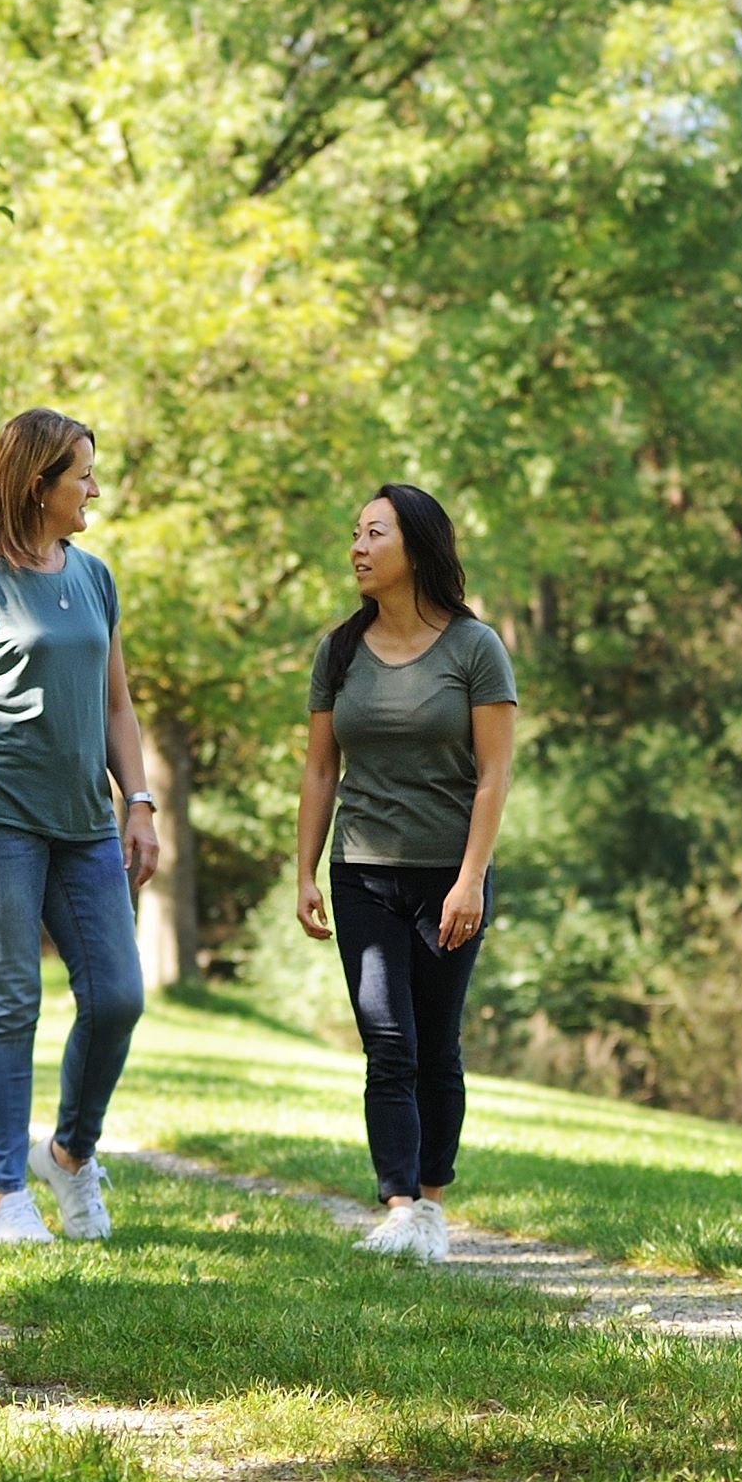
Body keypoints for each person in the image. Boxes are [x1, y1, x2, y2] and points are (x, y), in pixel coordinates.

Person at [0, 408, 159, 1247]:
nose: (94, 487)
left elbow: (117, 703)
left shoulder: (93, 576)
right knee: (10, 1000)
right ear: (36, 482)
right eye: (81, 473)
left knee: (118, 996)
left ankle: (71, 1154)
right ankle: (7, 1192)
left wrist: (142, 802)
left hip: (85, 821)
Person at [296, 484, 518, 1263]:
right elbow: (322, 770)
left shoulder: (474, 648)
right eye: (354, 532)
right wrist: (305, 873)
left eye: (374, 533)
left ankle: (432, 1200)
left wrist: (470, 880)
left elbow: (492, 777)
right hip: (362, 869)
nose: (357, 547)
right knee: (386, 1039)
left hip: (449, 876)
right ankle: (399, 1206)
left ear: (416, 548)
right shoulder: (340, 649)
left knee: (436, 1044)